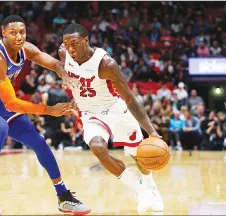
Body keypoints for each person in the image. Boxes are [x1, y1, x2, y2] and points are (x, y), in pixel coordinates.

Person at [0, 15, 90, 215]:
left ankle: (63, 196)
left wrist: (66, 74)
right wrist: (48, 110)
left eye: (22, 32)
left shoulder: (26, 49)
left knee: (39, 142)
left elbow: (53, 63)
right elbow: (11, 102)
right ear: (3, 33)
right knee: (0, 127)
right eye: (13, 32)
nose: (19, 36)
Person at [58, 23, 164, 213]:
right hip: (90, 113)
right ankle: (141, 191)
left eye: (74, 43)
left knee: (137, 153)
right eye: (66, 44)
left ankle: (150, 184)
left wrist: (152, 132)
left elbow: (130, 98)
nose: (70, 48)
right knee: (98, 147)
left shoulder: (106, 64)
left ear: (86, 40)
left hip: (115, 109)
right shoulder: (64, 53)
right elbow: (59, 66)